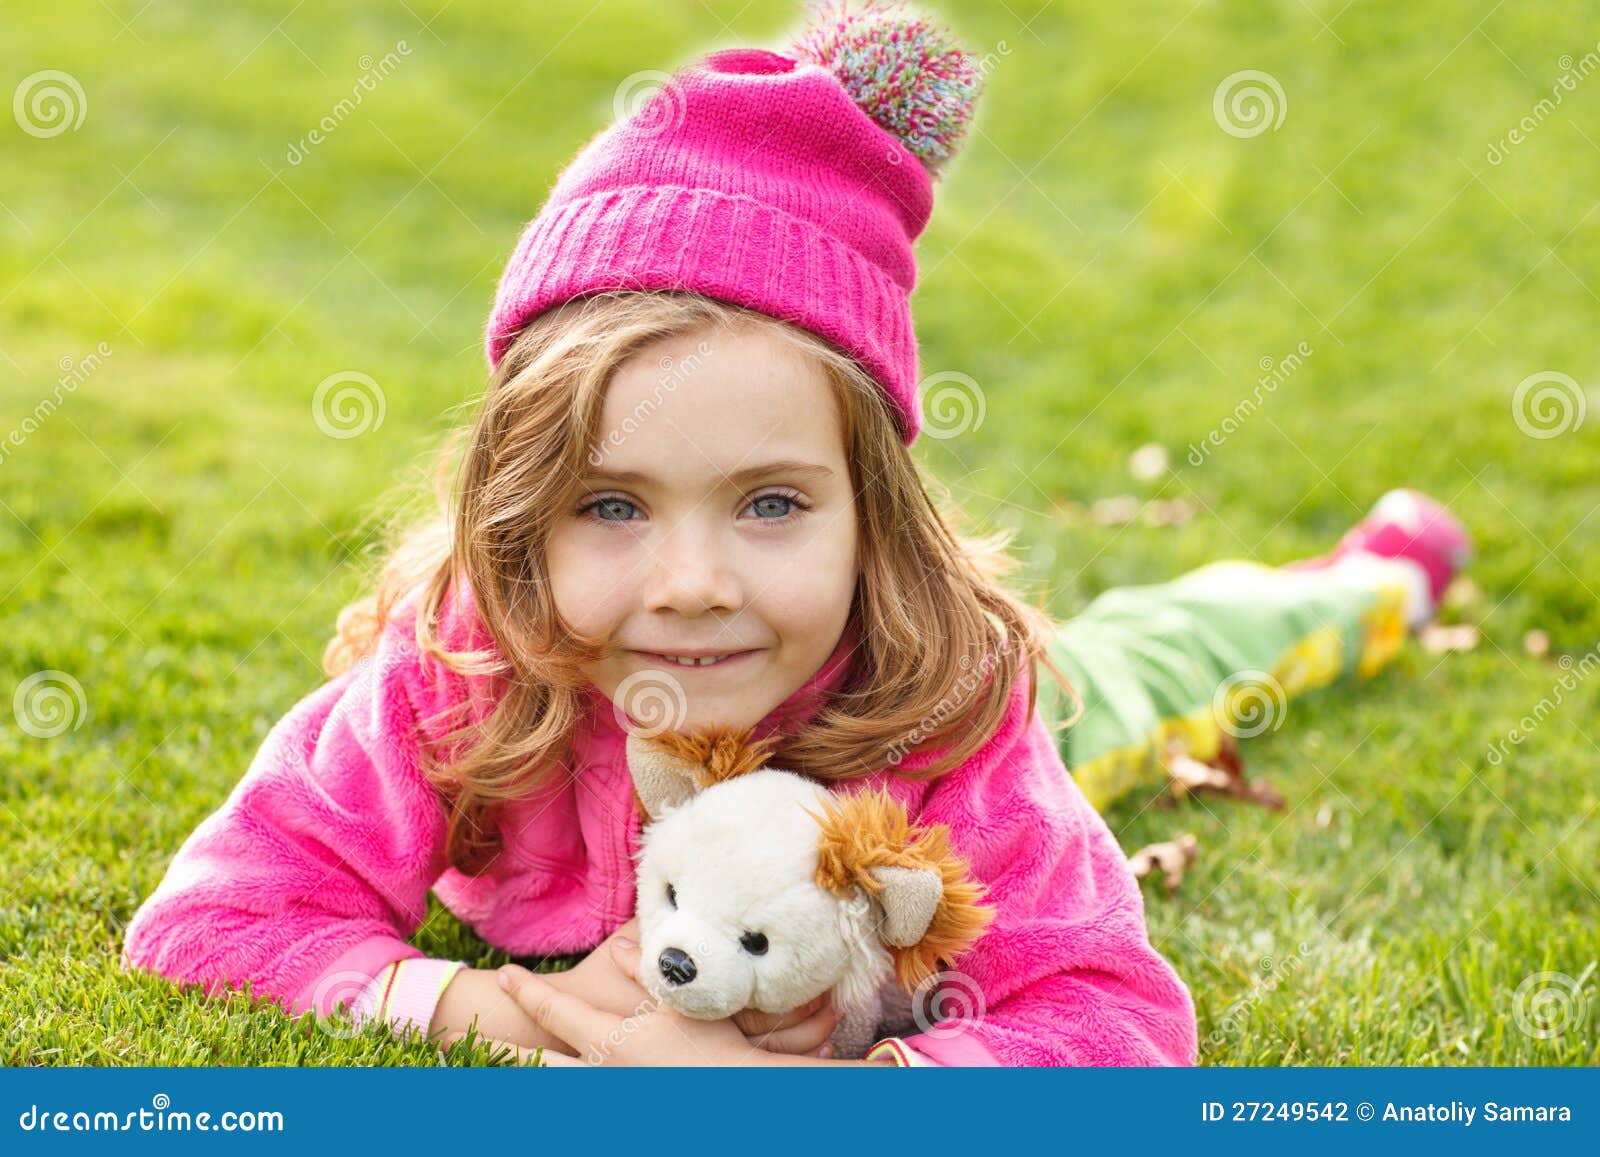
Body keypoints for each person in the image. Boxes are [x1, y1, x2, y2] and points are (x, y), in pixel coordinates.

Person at [120, 0, 1468, 1067]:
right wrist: (499, 1010)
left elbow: (1117, 1023)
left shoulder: (948, 713)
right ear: (520, 516)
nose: (693, 586)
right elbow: (210, 918)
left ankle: (1361, 582)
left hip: (1053, 707)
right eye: (612, 505)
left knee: (1161, 660)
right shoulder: (463, 671)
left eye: (771, 503)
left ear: (871, 517)